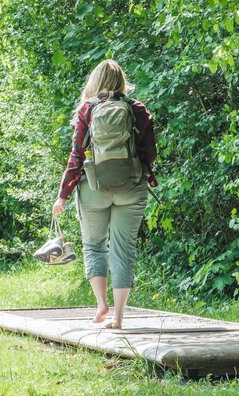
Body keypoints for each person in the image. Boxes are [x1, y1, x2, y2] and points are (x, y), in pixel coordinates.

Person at [51, 59, 158, 329]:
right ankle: (120, 318)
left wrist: (63, 195)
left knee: (94, 245)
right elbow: (150, 154)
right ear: (122, 82)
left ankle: (101, 306)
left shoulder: (87, 110)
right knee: (124, 249)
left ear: (94, 82)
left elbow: (76, 156)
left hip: (93, 188)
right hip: (132, 187)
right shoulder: (137, 110)